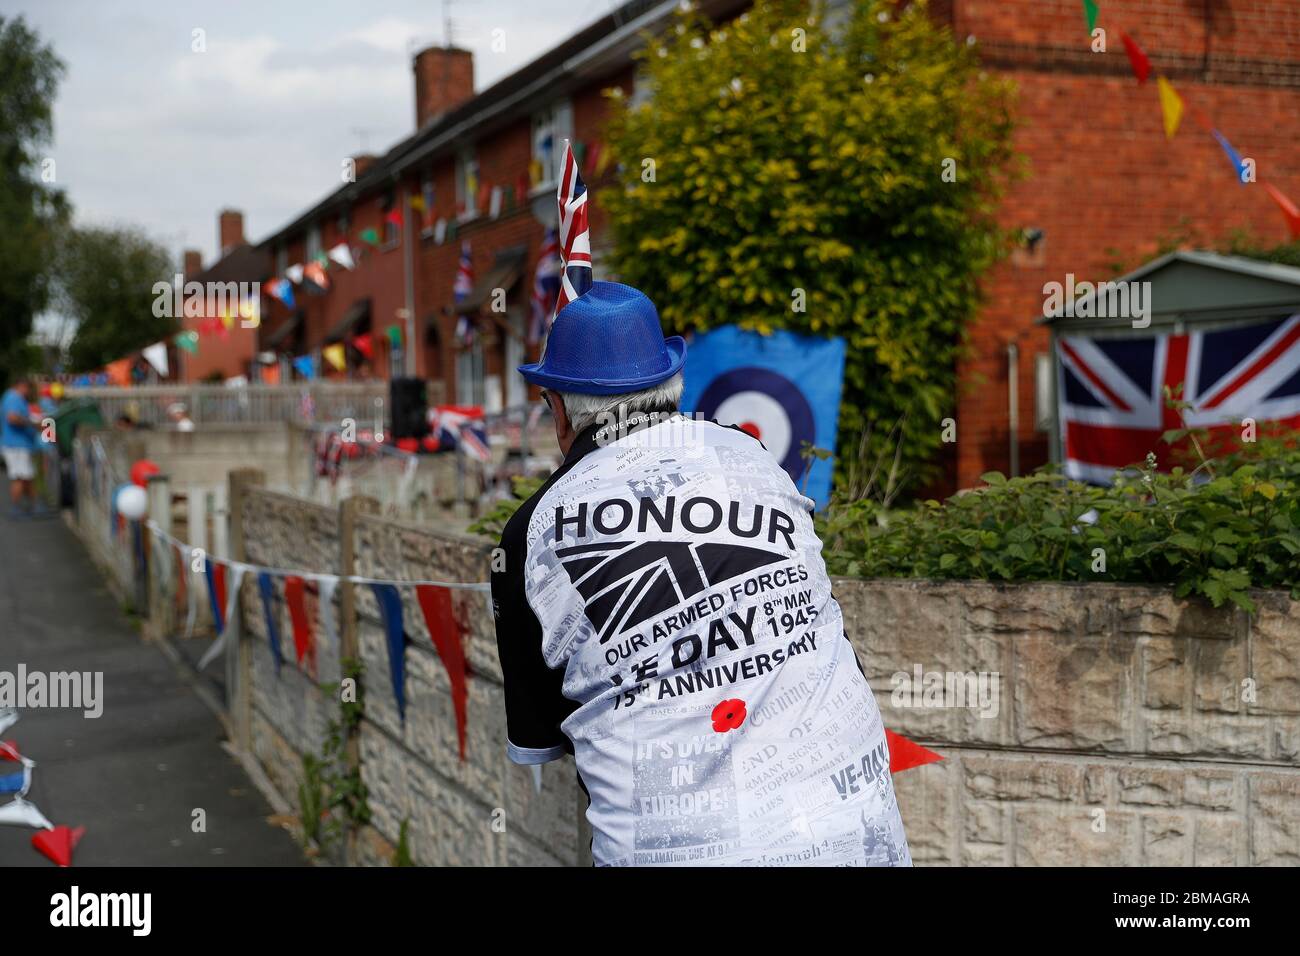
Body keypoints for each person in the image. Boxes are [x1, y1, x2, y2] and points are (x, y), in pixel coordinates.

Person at [490, 282, 911, 867]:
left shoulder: (531, 534)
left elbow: (547, 736)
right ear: (673, 385)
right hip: (861, 835)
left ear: (558, 408)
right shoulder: (754, 459)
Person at [2, 379, 40, 517]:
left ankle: (34, 505)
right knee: (20, 476)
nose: (28, 392)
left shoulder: (13, 398)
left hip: (19, 445)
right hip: (16, 445)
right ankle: (17, 508)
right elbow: (12, 418)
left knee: (26, 476)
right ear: (22, 386)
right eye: (28, 389)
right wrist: (31, 422)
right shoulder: (13, 398)